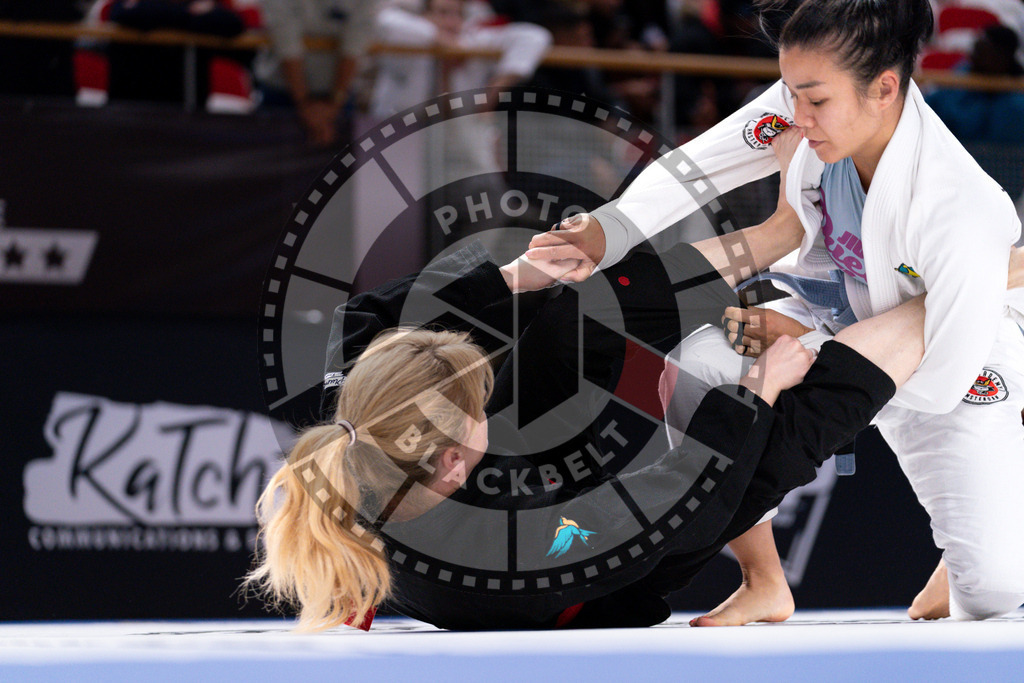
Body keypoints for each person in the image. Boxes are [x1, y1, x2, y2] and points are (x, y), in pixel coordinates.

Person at [243, 199, 977, 629]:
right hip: (605, 576)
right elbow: (668, 509)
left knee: (563, 308)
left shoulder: (371, 408)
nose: (486, 396)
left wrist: (513, 278)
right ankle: (951, 294)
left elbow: (362, 321)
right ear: (454, 461)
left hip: (497, 492)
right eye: (477, 407)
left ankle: (777, 233)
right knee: (763, 449)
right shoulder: (501, 548)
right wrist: (757, 391)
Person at [525, 0, 1024, 625]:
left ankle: (970, 543)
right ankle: (764, 580)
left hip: (942, 355)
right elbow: (701, 164)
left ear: (885, 88)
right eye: (788, 93)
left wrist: (811, 352)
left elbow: (945, 379)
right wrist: (609, 228)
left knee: (994, 593)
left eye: (813, 101)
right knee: (700, 368)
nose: (795, 117)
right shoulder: (809, 101)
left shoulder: (957, 203)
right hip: (825, 319)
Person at [256, 0, 383, 146]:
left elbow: (355, 45)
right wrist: (305, 105)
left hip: (337, 98)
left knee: (338, 164)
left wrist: (334, 104)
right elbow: (286, 45)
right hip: (281, 94)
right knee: (271, 163)